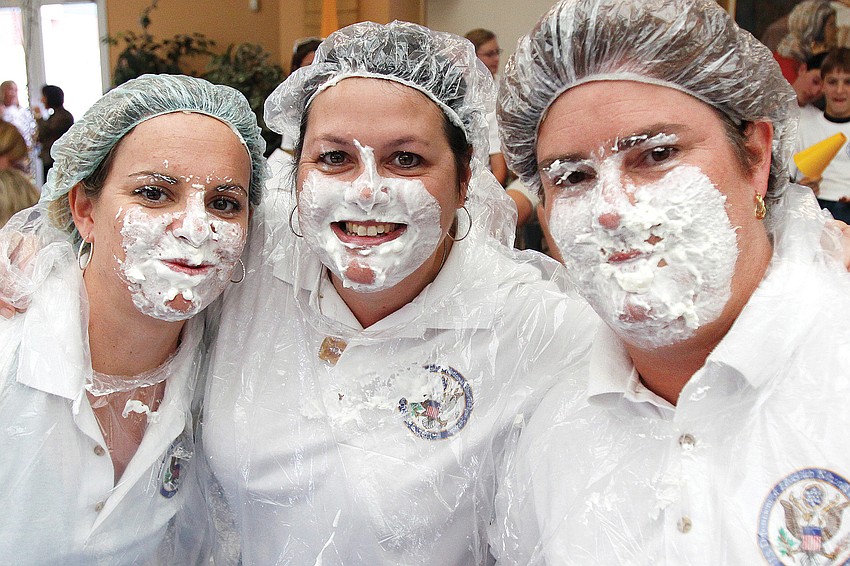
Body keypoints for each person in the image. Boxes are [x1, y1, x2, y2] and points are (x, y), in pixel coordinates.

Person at [180, 20, 594, 565]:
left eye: (407, 159)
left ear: (465, 176)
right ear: (295, 172)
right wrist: (45, 263)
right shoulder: (246, 264)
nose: (367, 190)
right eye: (334, 158)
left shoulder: (536, 329)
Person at [491, 0, 850, 563]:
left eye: (656, 155)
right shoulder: (553, 433)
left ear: (755, 155)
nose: (610, 210)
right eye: (574, 176)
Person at [0, 74, 266, 564]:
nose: (194, 228)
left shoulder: (231, 373)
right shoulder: (10, 346)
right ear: (84, 209)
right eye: (154, 193)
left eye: (224, 203)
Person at [794, 48, 850, 222]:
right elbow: (789, 184)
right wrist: (801, 188)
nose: (840, 90)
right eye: (832, 82)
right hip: (813, 210)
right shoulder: (803, 127)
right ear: (823, 85)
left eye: (848, 82)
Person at [776, 0, 837, 106]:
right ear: (816, 27)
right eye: (831, 25)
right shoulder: (788, 61)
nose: (836, 30)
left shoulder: (814, 56)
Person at [34, 84, 74, 180]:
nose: (42, 100)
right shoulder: (55, 115)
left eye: (44, 97)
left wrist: (39, 117)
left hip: (56, 160)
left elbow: (46, 131)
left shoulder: (63, 117)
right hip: (50, 159)